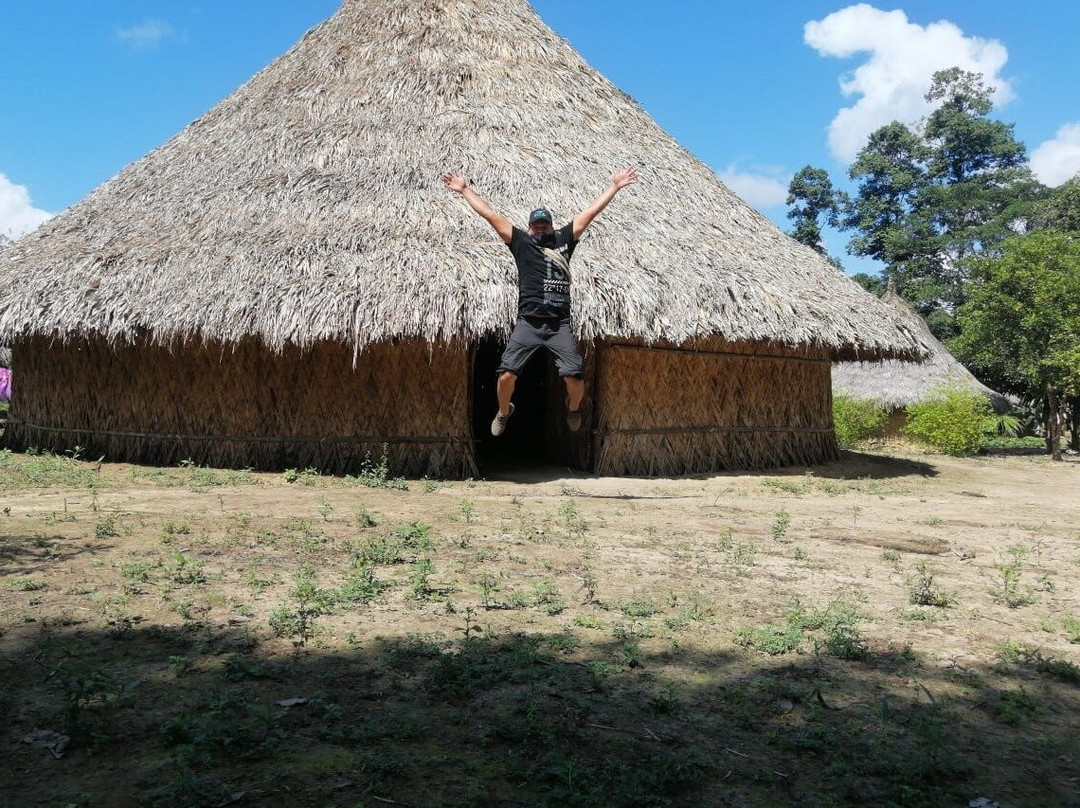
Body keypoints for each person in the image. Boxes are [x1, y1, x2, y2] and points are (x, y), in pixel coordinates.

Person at [441, 167, 638, 436]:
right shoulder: (521, 243)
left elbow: (591, 213)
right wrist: (464, 190)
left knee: (575, 377)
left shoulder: (564, 240)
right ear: (530, 228)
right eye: (536, 225)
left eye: (545, 224)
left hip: (559, 325)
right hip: (528, 323)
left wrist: (614, 187)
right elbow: (490, 215)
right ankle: (504, 411)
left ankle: (572, 408)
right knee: (506, 376)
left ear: (551, 226)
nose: (540, 229)